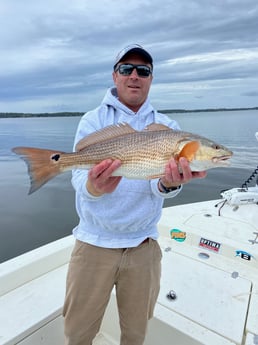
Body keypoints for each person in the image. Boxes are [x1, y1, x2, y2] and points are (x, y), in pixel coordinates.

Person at [63, 44, 206, 345]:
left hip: (143, 246)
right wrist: (93, 186)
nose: (135, 76)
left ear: (151, 78)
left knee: (136, 333)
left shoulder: (168, 128)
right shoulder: (93, 120)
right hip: (94, 243)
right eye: (127, 69)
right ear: (115, 75)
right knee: (77, 334)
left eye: (143, 70)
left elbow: (158, 186)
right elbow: (79, 178)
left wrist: (169, 184)